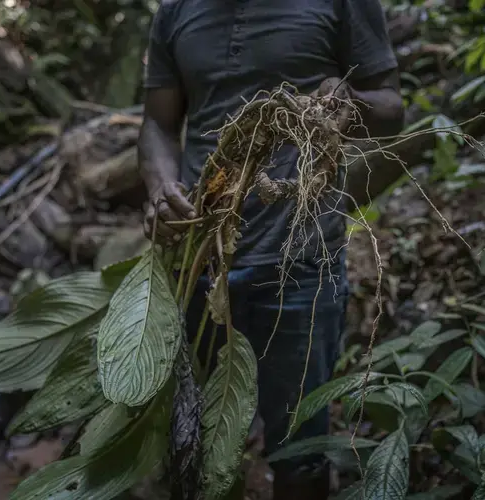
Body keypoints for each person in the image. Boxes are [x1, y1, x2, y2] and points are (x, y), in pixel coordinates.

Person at [138, 1, 404, 498]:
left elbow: (392, 105)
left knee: (300, 450)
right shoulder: (175, 10)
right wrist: (160, 187)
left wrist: (348, 101)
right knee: (191, 441)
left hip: (301, 264)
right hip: (198, 259)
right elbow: (157, 122)